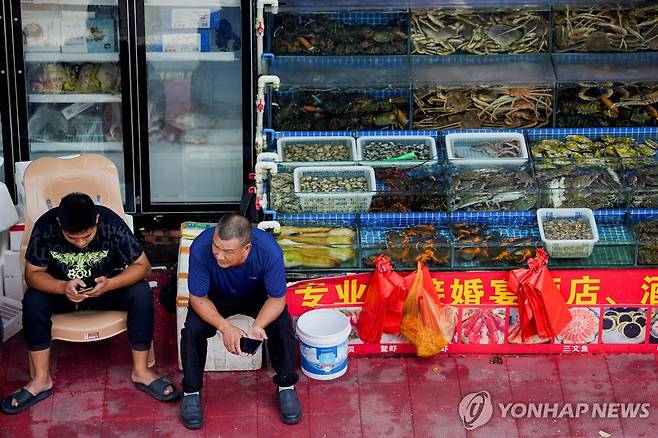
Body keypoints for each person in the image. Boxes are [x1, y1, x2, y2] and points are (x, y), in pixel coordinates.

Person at [0, 192, 180, 414]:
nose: (81, 243)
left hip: (105, 289)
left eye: (87, 236)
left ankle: (141, 371)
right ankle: (40, 379)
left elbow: (143, 266)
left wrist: (111, 284)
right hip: (63, 293)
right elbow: (33, 274)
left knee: (141, 292)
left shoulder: (110, 222)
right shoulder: (46, 225)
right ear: (59, 223)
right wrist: (61, 287)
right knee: (33, 301)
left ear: (96, 220)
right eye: (72, 238)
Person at [179, 213, 300, 430]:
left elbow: (277, 298)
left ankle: (286, 386)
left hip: (257, 294)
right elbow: (198, 298)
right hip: (216, 295)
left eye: (228, 252)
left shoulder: (269, 251)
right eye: (217, 247)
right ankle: (191, 390)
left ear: (246, 249)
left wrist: (258, 326)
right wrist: (225, 328)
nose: (219, 256)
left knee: (282, 327)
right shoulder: (200, 247)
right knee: (192, 330)